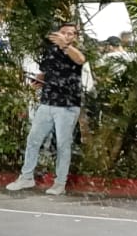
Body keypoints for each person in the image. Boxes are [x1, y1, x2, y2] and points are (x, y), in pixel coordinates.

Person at [6, 22, 86, 196]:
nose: (65, 35)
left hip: (67, 105)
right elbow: (44, 71)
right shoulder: (51, 51)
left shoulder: (74, 51)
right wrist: (38, 80)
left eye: (70, 33)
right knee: (33, 139)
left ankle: (60, 183)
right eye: (62, 32)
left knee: (63, 145)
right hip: (47, 102)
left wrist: (65, 45)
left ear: (75, 37)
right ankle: (26, 177)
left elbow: (80, 60)